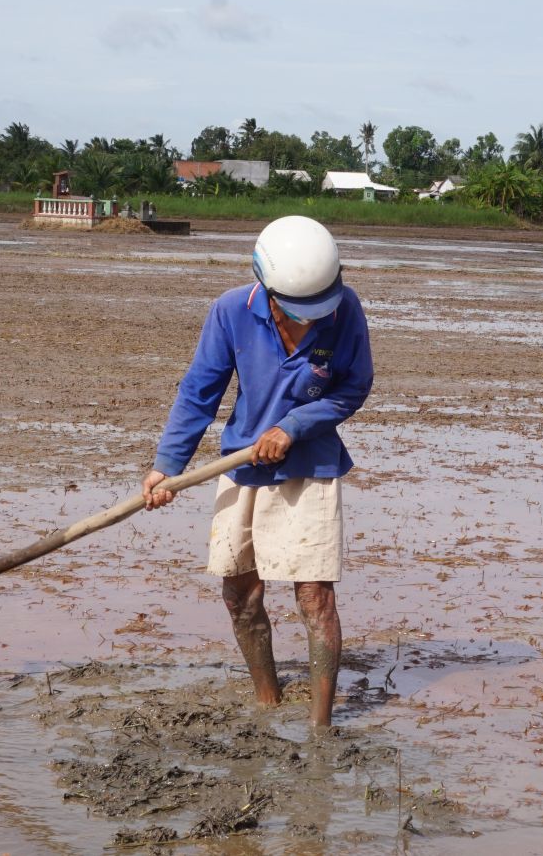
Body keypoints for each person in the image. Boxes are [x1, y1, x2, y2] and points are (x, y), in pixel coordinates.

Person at [142, 215, 373, 728]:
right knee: (240, 594)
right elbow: (199, 393)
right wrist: (166, 467)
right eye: (298, 311)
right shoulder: (230, 312)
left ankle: (320, 727)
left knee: (315, 598)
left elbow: (353, 388)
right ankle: (267, 703)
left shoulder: (346, 309)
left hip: (311, 465)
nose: (311, 322)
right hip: (242, 464)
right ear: (266, 289)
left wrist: (293, 426)